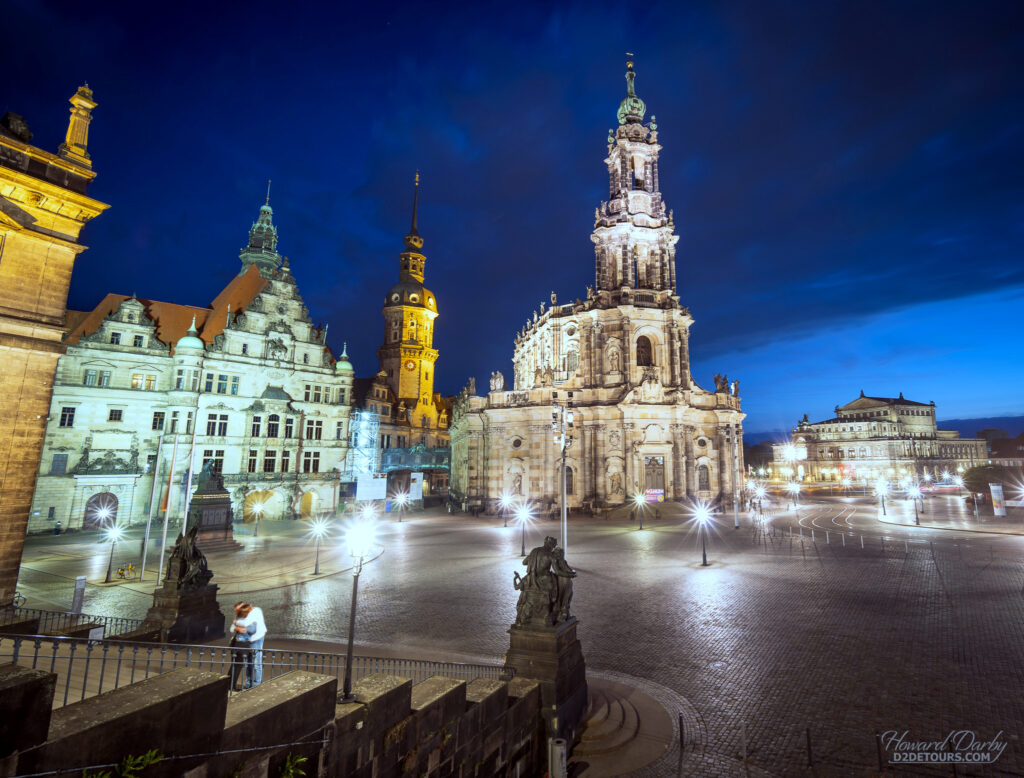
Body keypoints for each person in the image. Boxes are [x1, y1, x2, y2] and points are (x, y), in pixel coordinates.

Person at [237, 601, 267, 687]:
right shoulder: (247, 615)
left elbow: (247, 625)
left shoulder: (256, 611)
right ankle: (248, 683)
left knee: (256, 663)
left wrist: (238, 624)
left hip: (257, 639)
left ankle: (256, 684)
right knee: (248, 663)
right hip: (249, 640)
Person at [229, 602, 253, 691]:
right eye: (236, 611)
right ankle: (231, 686)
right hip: (239, 645)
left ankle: (231, 685)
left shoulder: (247, 618)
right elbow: (232, 629)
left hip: (242, 644)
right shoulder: (239, 619)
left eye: (238, 610)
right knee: (236, 665)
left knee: (236, 665)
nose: (237, 612)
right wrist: (238, 628)